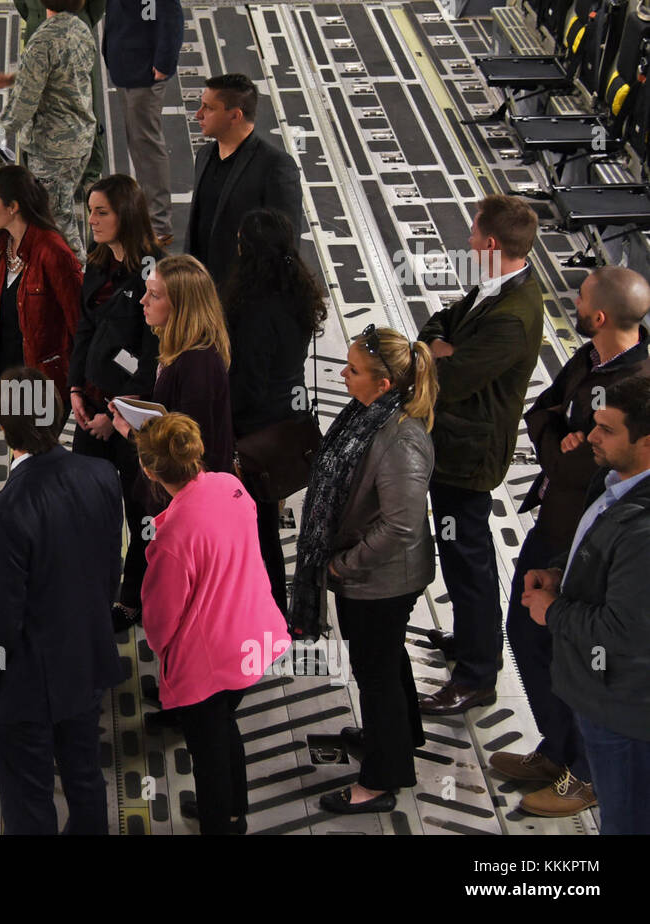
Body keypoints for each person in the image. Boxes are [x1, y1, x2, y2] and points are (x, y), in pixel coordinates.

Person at [492, 266, 650, 818]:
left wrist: (572, 443)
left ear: (600, 315)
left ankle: (584, 773)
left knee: (578, 657)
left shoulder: (638, 386)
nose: (572, 302)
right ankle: (558, 750)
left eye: (580, 297)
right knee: (526, 634)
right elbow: (543, 412)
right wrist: (562, 441)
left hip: (592, 544)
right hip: (562, 529)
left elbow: (620, 632)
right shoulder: (589, 360)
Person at [0, 367, 125, 834]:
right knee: (85, 777)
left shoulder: (7, 511)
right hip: (87, 662)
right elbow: (108, 571)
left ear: (2, 427)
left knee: (28, 797)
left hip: (26, 685)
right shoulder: (102, 474)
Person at [291, 326, 439, 814]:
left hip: (380, 580)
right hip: (374, 576)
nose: (342, 373)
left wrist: (343, 565)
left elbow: (400, 524)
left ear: (384, 384)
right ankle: (398, 738)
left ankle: (379, 781)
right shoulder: (370, 415)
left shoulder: (400, 441)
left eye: (353, 369)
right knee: (387, 664)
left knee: (374, 676)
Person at [416, 195, 544, 715]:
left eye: (472, 234)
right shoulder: (496, 289)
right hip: (455, 444)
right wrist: (438, 345)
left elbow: (452, 376)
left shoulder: (513, 315)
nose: (467, 241)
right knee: (464, 554)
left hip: (468, 456)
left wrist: (441, 354)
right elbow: (436, 324)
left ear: (491, 244)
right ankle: (476, 640)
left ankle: (476, 676)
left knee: (466, 559)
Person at [137, 412, 289, 834]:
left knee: (207, 751)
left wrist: (163, 650)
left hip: (211, 660)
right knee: (224, 726)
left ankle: (222, 822)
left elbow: (160, 621)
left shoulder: (172, 537)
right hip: (254, 635)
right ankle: (236, 809)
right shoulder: (231, 486)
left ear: (149, 470)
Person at [523, 375, 650, 835]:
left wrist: (553, 611)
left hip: (627, 715)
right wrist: (561, 572)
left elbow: (626, 630)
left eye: (608, 429)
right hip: (601, 700)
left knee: (626, 821)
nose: (592, 436)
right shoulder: (614, 479)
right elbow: (600, 551)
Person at [69, 173, 164, 628]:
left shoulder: (154, 274)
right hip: (89, 408)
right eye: (90, 211)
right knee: (86, 506)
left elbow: (148, 362)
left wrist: (115, 414)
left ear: (125, 213)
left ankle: (131, 598)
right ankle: (89, 585)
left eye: (100, 212)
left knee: (139, 512)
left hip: (128, 422)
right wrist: (74, 390)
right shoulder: (98, 261)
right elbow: (84, 330)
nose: (91, 220)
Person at [224, 208, 328, 614]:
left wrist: (223, 425)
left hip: (252, 430)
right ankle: (275, 608)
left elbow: (247, 381)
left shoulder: (252, 310)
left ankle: (267, 610)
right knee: (266, 518)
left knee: (257, 526)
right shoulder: (296, 295)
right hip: (285, 420)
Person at [0, 0, 97, 257]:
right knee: (62, 211)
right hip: (80, 142)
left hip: (51, 148)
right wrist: (10, 78)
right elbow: (60, 76)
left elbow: (24, 105)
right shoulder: (81, 30)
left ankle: (78, 284)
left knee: (56, 222)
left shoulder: (42, 40)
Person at [109, 254, 235, 477]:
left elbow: (188, 449)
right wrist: (140, 404)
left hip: (189, 495)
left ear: (181, 306)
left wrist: (129, 432)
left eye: (154, 295)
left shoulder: (198, 364)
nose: (143, 300)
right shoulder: (182, 349)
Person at [185, 73, 303, 286]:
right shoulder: (204, 155)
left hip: (244, 295)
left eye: (209, 108)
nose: (198, 115)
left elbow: (286, 247)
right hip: (201, 291)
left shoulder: (276, 166)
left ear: (235, 116)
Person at [0, 165, 82, 405]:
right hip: (7, 378)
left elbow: (80, 323)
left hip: (44, 386)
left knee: (36, 443)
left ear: (13, 207)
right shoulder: (2, 246)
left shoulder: (54, 252)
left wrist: (82, 389)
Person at [101, 0, 183, 243]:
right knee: (139, 142)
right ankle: (149, 215)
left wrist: (164, 62)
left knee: (146, 144)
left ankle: (159, 225)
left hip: (144, 71)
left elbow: (170, 13)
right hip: (129, 67)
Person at [10, 0, 109, 192]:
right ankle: (40, 174)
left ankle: (89, 173)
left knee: (82, 103)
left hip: (71, 24)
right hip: (41, 24)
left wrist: (79, 20)